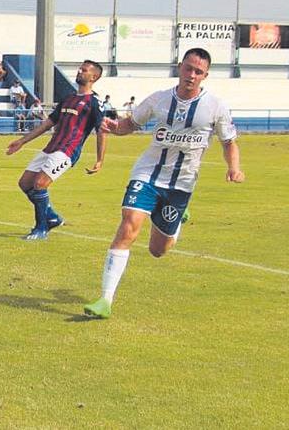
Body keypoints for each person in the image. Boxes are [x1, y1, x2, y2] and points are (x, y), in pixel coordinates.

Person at [82, 48, 244, 319]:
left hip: (181, 184)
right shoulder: (158, 99)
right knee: (128, 226)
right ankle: (105, 300)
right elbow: (131, 124)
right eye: (188, 68)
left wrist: (234, 168)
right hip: (146, 175)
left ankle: (177, 220)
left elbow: (229, 143)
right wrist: (114, 126)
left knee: (158, 250)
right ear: (180, 67)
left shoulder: (215, 106)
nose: (192, 75)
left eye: (198, 72)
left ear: (205, 75)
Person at [5, 60, 106, 240]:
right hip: (51, 147)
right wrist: (22, 141)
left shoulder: (95, 102)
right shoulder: (68, 98)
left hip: (68, 151)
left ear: (94, 77)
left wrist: (100, 160)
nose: (79, 72)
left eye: (84, 70)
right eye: (79, 68)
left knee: (40, 184)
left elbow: (101, 131)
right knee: (25, 183)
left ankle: (41, 228)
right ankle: (50, 216)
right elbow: (48, 123)